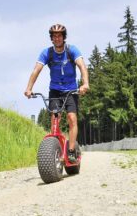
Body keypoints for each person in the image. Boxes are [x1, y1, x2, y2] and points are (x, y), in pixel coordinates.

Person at [24, 24, 90, 161]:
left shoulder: (72, 50)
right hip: (55, 90)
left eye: (59, 35)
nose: (57, 38)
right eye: (54, 36)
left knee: (72, 118)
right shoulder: (47, 53)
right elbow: (36, 70)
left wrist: (85, 83)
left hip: (71, 90)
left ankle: (71, 150)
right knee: (55, 119)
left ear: (64, 37)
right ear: (51, 39)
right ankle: (55, 147)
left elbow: (82, 66)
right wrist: (29, 88)